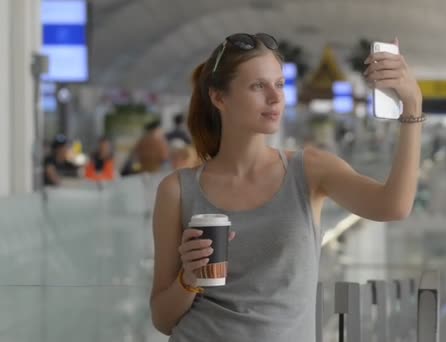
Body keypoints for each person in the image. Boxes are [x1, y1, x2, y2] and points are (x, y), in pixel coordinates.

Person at [150, 33, 423, 341]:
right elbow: (163, 319)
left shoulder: (309, 170)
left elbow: (394, 206)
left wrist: (412, 107)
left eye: (279, 84)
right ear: (219, 98)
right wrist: (188, 278)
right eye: (258, 86)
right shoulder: (177, 190)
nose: (275, 97)